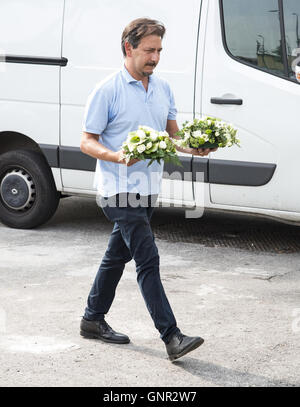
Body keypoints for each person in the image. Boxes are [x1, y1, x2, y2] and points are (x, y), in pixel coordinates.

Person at [79, 18, 217, 361]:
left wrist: (195, 147)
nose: (155, 57)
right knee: (147, 257)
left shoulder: (162, 88)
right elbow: (86, 141)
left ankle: (92, 319)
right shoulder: (107, 89)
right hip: (116, 187)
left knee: (117, 256)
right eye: (148, 50)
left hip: (148, 187)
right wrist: (115, 156)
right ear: (129, 48)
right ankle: (172, 337)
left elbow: (173, 136)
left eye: (159, 50)